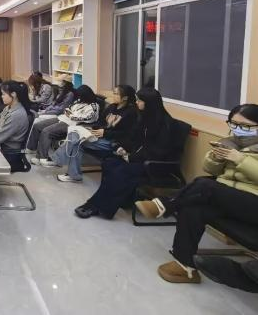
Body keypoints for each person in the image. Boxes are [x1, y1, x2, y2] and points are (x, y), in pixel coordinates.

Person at [134, 103, 258, 284]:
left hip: (253, 204)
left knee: (206, 184)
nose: (238, 130)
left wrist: (241, 160)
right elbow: (211, 170)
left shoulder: (241, 152)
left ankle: (165, 205)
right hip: (231, 200)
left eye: (245, 126)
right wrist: (215, 158)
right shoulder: (230, 143)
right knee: (193, 208)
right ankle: (185, 267)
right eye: (234, 124)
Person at [74, 88, 179, 220]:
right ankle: (116, 201)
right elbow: (134, 139)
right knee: (110, 163)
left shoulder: (166, 125)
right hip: (140, 159)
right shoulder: (145, 118)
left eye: (139, 100)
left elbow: (158, 152)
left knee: (120, 171)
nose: (136, 103)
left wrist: (131, 157)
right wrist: (121, 147)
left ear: (149, 103)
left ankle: (99, 207)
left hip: (155, 165)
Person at [47, 85, 139, 183]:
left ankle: (60, 163)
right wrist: (92, 128)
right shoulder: (112, 107)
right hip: (99, 136)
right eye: (114, 93)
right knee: (74, 134)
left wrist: (105, 133)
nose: (113, 95)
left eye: (116, 94)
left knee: (76, 141)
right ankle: (71, 172)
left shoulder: (131, 112)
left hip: (114, 142)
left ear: (125, 97)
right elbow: (100, 122)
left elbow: (126, 134)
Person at [32, 84, 100, 168]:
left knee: (46, 131)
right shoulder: (80, 101)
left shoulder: (94, 106)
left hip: (72, 124)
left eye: (81, 96)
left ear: (86, 95)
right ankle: (36, 154)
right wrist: (68, 112)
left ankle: (43, 158)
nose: (79, 97)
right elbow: (69, 108)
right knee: (38, 125)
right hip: (63, 118)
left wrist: (71, 116)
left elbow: (88, 118)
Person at [24, 76, 75, 154]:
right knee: (36, 120)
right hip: (51, 111)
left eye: (61, 81)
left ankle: (32, 146)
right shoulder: (62, 92)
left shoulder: (70, 94)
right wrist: (46, 110)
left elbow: (60, 109)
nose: (59, 83)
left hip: (58, 115)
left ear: (65, 82)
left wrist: (45, 112)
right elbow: (54, 104)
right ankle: (31, 146)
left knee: (37, 120)